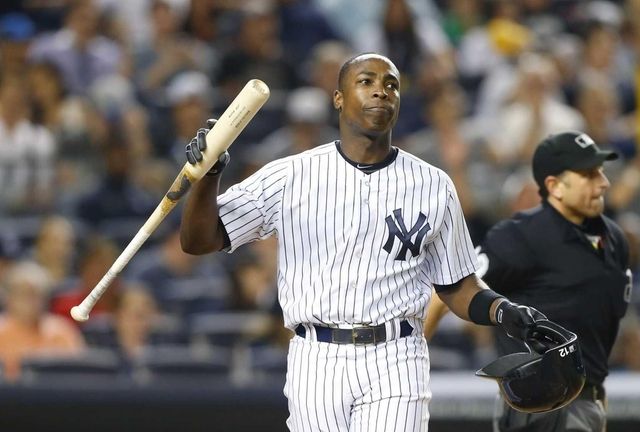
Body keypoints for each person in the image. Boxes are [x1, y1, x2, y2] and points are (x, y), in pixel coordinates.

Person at [179, 53, 544, 432]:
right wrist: (208, 175)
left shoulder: (435, 185)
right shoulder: (291, 175)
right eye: (366, 82)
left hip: (396, 354)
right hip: (316, 356)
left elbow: (458, 286)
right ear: (338, 98)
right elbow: (199, 239)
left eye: (391, 85)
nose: (381, 92)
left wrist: (504, 311)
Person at [426, 131, 631, 432]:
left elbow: (599, 338)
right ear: (554, 186)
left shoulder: (613, 239)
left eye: (600, 171)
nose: (603, 182)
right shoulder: (522, 235)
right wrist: (409, 360)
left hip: (588, 400)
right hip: (538, 405)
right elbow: (450, 288)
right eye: (589, 174)